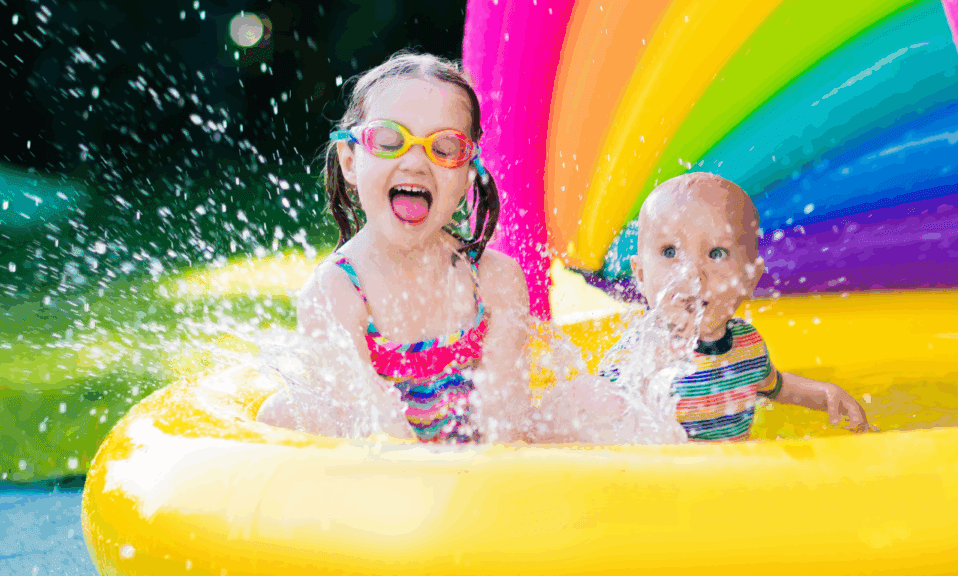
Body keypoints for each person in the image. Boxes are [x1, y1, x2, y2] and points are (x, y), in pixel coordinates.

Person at [257, 53, 533, 443]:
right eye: (389, 140)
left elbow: (506, 424)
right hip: (385, 478)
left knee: (589, 401)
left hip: (475, 470)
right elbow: (380, 434)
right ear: (351, 162)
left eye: (445, 147)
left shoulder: (495, 280)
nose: (417, 163)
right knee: (282, 412)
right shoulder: (334, 292)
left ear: (468, 174)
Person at [596, 172, 869, 441]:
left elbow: (777, 387)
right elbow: (596, 423)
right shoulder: (638, 358)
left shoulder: (747, 344)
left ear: (749, 277)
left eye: (716, 253)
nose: (692, 273)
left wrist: (823, 394)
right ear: (641, 275)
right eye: (670, 252)